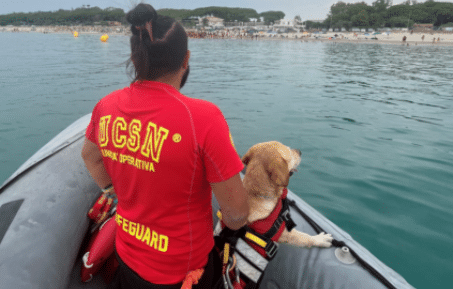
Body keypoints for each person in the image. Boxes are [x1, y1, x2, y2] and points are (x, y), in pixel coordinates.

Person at [81, 3, 249, 288]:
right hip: (182, 273)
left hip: (128, 257)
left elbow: (90, 157)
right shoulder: (204, 118)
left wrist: (118, 191)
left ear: (135, 57)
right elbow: (235, 215)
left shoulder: (105, 106)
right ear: (186, 59)